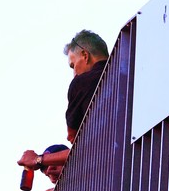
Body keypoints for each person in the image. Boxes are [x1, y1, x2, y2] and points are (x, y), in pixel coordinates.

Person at [17, 29, 109, 171]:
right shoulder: (129, 68)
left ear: (85, 55)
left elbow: (73, 137)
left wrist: (38, 159)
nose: (74, 73)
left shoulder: (81, 82)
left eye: (73, 65)